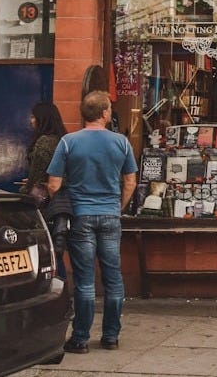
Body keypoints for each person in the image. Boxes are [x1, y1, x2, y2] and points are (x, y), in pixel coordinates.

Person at [46, 91, 138, 354]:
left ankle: (81, 338)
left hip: (81, 215)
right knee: (113, 277)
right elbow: (130, 182)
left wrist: (66, 201)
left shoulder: (68, 142)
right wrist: (116, 206)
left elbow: (53, 184)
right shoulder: (121, 142)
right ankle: (110, 336)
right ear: (105, 113)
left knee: (85, 280)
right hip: (110, 215)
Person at [19, 102, 72, 279]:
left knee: (43, 249)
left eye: (34, 117)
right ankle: (62, 287)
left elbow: (37, 173)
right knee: (57, 249)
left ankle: (49, 286)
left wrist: (27, 188)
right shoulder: (64, 140)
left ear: (42, 119)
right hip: (62, 203)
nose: (31, 120)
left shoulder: (43, 142)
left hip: (45, 203)